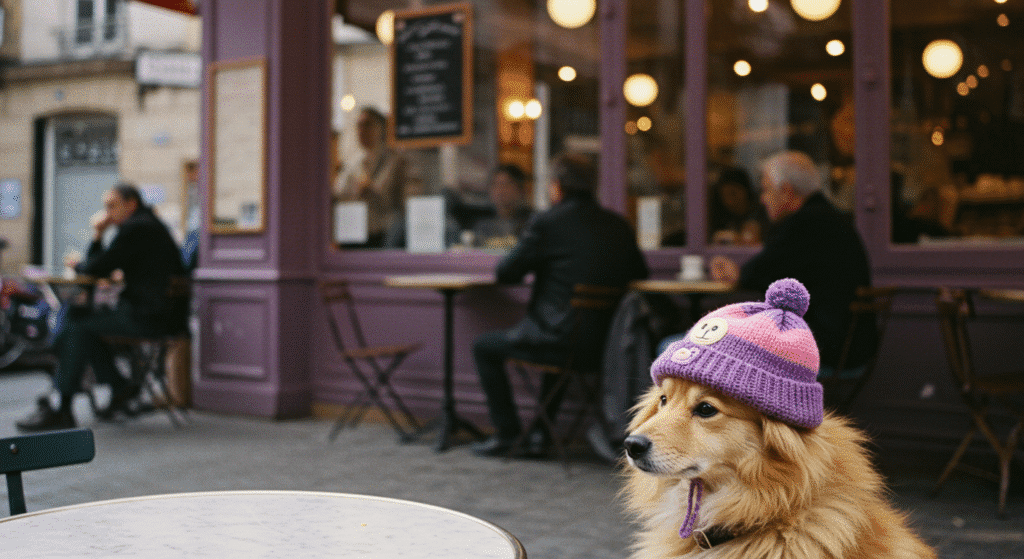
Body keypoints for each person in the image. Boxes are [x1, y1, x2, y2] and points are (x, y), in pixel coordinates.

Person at [471, 152, 650, 457]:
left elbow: (506, 272)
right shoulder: (618, 225)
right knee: (561, 339)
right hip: (610, 345)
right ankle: (541, 434)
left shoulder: (547, 222)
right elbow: (640, 274)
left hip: (558, 340)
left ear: (556, 186)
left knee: (484, 347)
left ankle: (508, 434)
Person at [16, 183, 186, 431]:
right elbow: (103, 266)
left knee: (76, 326)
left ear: (131, 204)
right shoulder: (148, 225)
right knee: (79, 321)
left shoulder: (137, 228)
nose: (107, 212)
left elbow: (95, 267)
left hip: (149, 317)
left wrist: (97, 234)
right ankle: (117, 386)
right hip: (158, 313)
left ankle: (63, 405)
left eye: (112, 205)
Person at [709, 150, 874, 376]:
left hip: (821, 351)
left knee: (685, 347)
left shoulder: (805, 224)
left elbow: (754, 274)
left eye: (766, 189)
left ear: (786, 191)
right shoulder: (832, 218)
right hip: (850, 349)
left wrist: (734, 272)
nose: (762, 199)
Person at [333, 106, 414, 248]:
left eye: (368, 125)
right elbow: (340, 194)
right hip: (354, 233)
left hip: (384, 236)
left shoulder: (395, 161)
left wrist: (372, 191)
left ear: (382, 129)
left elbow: (402, 204)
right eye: (359, 126)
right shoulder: (353, 162)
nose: (362, 131)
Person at [472, 164, 533, 249]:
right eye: (495, 185)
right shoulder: (483, 227)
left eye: (506, 185)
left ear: (521, 190)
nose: (500, 191)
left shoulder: (531, 224)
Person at [708, 166, 769, 245]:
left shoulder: (763, 213)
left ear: (745, 190)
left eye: (733, 193)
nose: (729, 201)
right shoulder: (721, 216)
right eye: (724, 196)